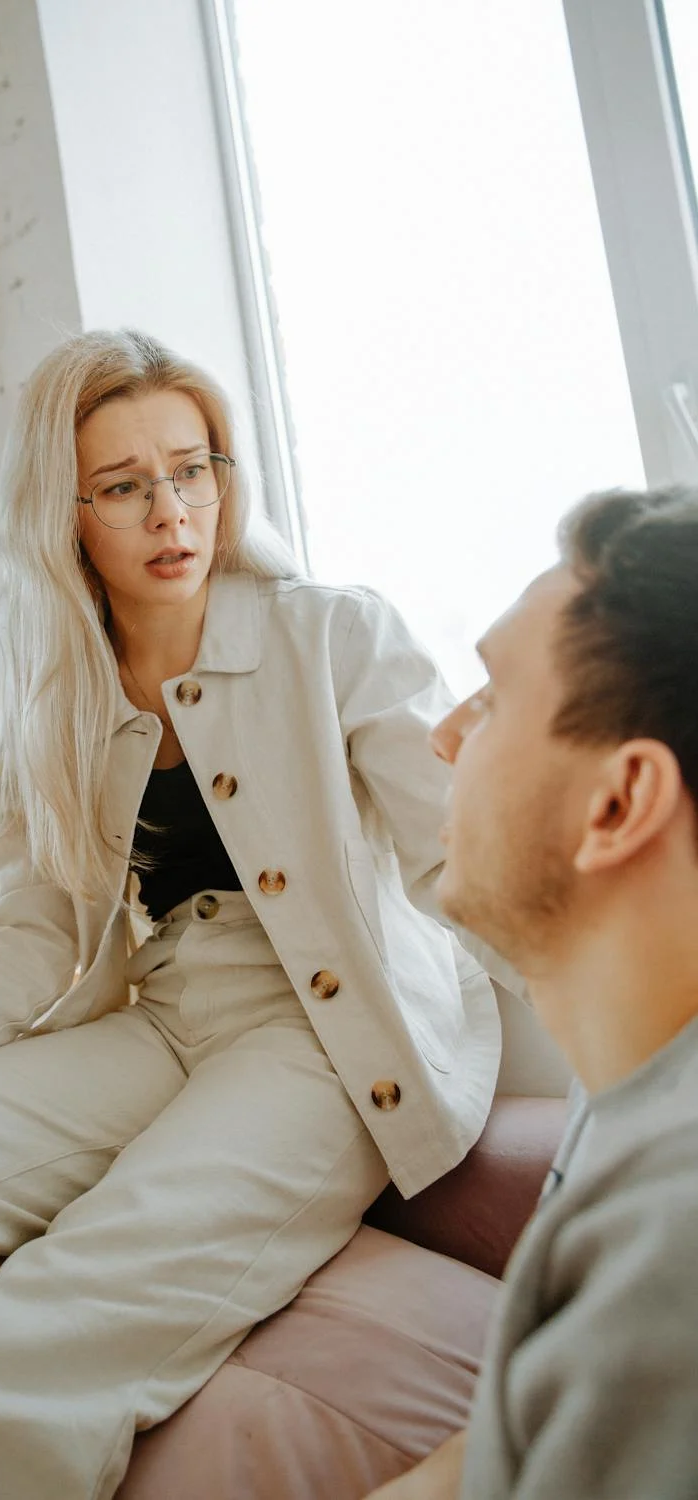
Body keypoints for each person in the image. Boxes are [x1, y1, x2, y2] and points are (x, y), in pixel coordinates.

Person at [0, 329, 506, 1500]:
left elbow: (460, 859)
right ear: (62, 513)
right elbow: (34, 925)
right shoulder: (52, 699)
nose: (172, 512)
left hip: (328, 1034)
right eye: (125, 488)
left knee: (54, 1315)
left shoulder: (333, 632)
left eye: (193, 470)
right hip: (168, 1010)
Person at [371, 485, 698, 1500]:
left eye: (493, 700)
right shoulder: (630, 1092)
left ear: (618, 802)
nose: (442, 740)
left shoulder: (670, 1239)